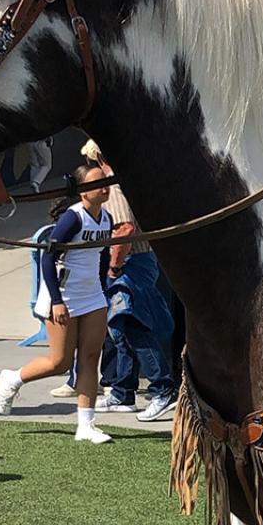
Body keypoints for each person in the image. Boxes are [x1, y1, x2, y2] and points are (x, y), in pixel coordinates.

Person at [0, 165, 114, 444]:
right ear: (83, 189)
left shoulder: (106, 218)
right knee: (59, 361)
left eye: (107, 182)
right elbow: (47, 258)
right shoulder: (73, 218)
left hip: (93, 295)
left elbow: (104, 255)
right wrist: (57, 302)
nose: (105, 187)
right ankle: (13, 379)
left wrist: (103, 288)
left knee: (90, 358)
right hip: (64, 295)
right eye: (98, 183)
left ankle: (86, 425)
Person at [81, 141, 177, 422]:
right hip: (138, 261)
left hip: (131, 263)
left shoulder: (113, 189)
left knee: (133, 326)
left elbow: (124, 228)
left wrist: (114, 266)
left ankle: (162, 388)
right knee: (121, 328)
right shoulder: (127, 183)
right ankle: (123, 390)